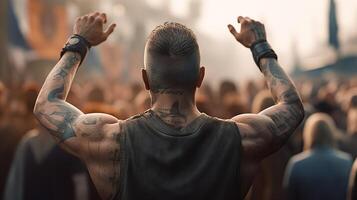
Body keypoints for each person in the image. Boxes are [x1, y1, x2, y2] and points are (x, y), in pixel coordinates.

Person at [33, 12, 304, 200]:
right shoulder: (242, 138)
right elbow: (292, 107)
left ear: (145, 79)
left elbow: (47, 104)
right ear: (200, 77)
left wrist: (79, 42)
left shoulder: (109, 140)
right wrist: (260, 46)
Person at [283, 113, 352, 200]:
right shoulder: (346, 162)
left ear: (308, 135)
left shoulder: (296, 164)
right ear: (331, 134)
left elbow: (289, 196)